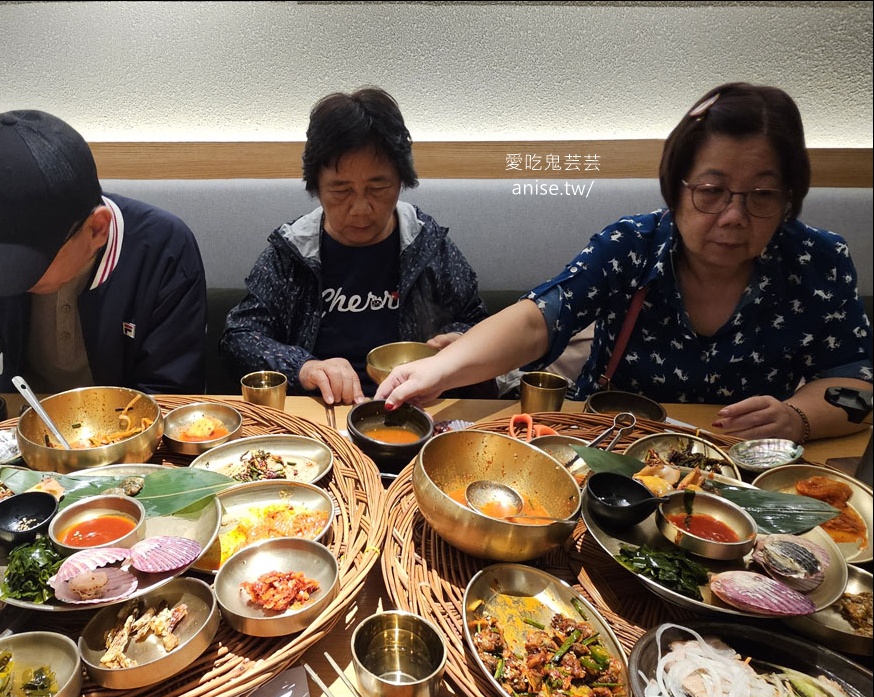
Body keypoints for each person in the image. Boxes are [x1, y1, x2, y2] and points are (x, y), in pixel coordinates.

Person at [377, 83, 873, 443]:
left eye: (762, 195)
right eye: (711, 191)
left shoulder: (817, 262)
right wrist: (439, 370)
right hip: (605, 451)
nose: (734, 217)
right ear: (675, 187)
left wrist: (796, 419)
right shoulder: (632, 244)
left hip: (738, 470)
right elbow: (537, 320)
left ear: (790, 197)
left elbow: (855, 384)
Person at [0, 109, 208, 394]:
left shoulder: (164, 249)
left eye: (21, 263)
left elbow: (171, 392)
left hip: (128, 427)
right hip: (25, 411)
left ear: (97, 229)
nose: (4, 275)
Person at [219, 87, 493, 405]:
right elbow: (238, 338)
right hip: (320, 415)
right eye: (340, 189)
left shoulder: (426, 244)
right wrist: (304, 367)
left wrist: (458, 343)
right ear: (316, 186)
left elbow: (479, 323)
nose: (361, 208)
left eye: (378, 186)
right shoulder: (292, 252)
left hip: (416, 411)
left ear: (401, 180)